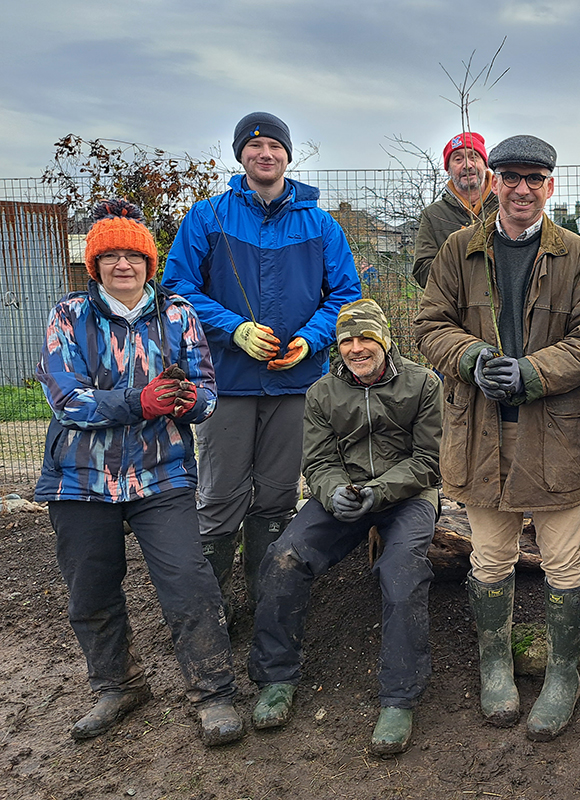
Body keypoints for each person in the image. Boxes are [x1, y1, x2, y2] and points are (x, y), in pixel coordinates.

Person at [413, 134, 580, 742]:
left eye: (536, 178)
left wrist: (532, 372)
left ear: (550, 186)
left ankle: (562, 675)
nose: (523, 188)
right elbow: (427, 323)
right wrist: (471, 357)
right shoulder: (457, 248)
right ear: (493, 182)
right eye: (512, 177)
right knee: (490, 554)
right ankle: (494, 664)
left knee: (563, 559)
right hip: (479, 432)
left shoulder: (576, 255)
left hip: (554, 432)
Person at [35, 199, 244, 746]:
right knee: (91, 588)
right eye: (111, 256)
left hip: (161, 474)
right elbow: (67, 400)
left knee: (188, 582)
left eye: (134, 255)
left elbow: (207, 392)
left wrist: (184, 400)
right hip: (79, 479)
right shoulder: (69, 316)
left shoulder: (178, 316)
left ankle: (213, 692)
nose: (123, 265)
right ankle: (117, 684)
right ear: (94, 265)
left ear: (150, 264)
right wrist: (140, 403)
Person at [163, 112, 361, 615]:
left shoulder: (319, 224)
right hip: (227, 383)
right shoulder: (208, 217)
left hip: (295, 385)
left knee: (275, 497)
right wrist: (236, 328)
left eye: (275, 145)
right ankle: (206, 612)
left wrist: (312, 340)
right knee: (220, 496)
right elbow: (177, 288)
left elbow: (345, 295)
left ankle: (263, 605)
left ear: (288, 156)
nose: (265, 154)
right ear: (240, 156)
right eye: (254, 147)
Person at [247, 298, 442, 756]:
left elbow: (429, 462)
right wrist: (334, 489)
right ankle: (276, 679)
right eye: (347, 341)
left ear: (384, 340)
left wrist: (380, 492)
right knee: (283, 557)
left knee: (401, 572)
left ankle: (399, 698)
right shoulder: (321, 392)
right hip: (345, 496)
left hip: (407, 496)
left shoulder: (422, 384)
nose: (356, 348)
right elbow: (317, 462)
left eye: (365, 338)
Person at [413, 132, 499, 288]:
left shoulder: (506, 207)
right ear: (448, 170)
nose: (467, 165)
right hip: (454, 307)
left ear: (486, 164)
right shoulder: (433, 215)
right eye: (458, 159)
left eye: (474, 157)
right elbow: (422, 271)